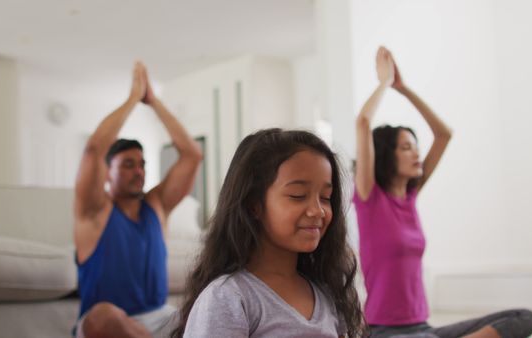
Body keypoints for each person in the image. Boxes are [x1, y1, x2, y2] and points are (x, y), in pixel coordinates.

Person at [353, 46, 532, 338]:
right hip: (383, 331)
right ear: (386, 155)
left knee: (523, 318)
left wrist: (404, 89)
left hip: (423, 328)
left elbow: (444, 134)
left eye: (415, 145)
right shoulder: (370, 199)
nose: (416, 153)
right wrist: (384, 83)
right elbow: (362, 123)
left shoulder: (410, 197)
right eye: (406, 147)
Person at [170, 128, 366, 337]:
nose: (317, 210)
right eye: (298, 195)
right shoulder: (228, 297)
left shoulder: (327, 294)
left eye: (326, 197)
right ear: (254, 204)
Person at [73, 62, 203, 338]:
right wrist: (133, 99)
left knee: (203, 311)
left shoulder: (157, 205)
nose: (139, 171)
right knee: (104, 316)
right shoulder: (95, 211)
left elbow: (192, 154)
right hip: (106, 323)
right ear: (108, 172)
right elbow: (94, 149)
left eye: (142, 164)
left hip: (158, 317)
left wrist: (154, 102)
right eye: (128, 165)